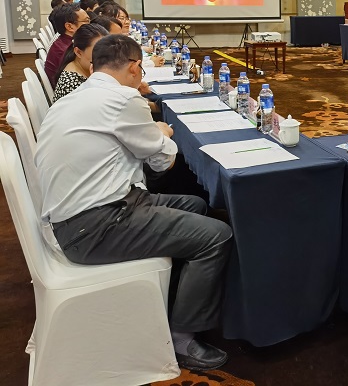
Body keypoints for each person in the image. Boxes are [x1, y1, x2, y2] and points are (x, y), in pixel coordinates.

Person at [35, 34, 233, 371]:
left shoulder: (77, 95)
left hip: (83, 215)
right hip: (96, 226)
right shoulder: (124, 98)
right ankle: (183, 338)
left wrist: (155, 135)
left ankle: (175, 299)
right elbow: (162, 163)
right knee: (217, 236)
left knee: (196, 205)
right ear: (135, 67)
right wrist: (163, 133)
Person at [52, 23, 108, 101]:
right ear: (78, 52)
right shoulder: (72, 85)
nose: (106, 57)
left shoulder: (80, 68)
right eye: (98, 51)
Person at [45, 3, 90, 87]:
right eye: (87, 21)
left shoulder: (63, 42)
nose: (91, 25)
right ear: (69, 27)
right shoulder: (68, 50)